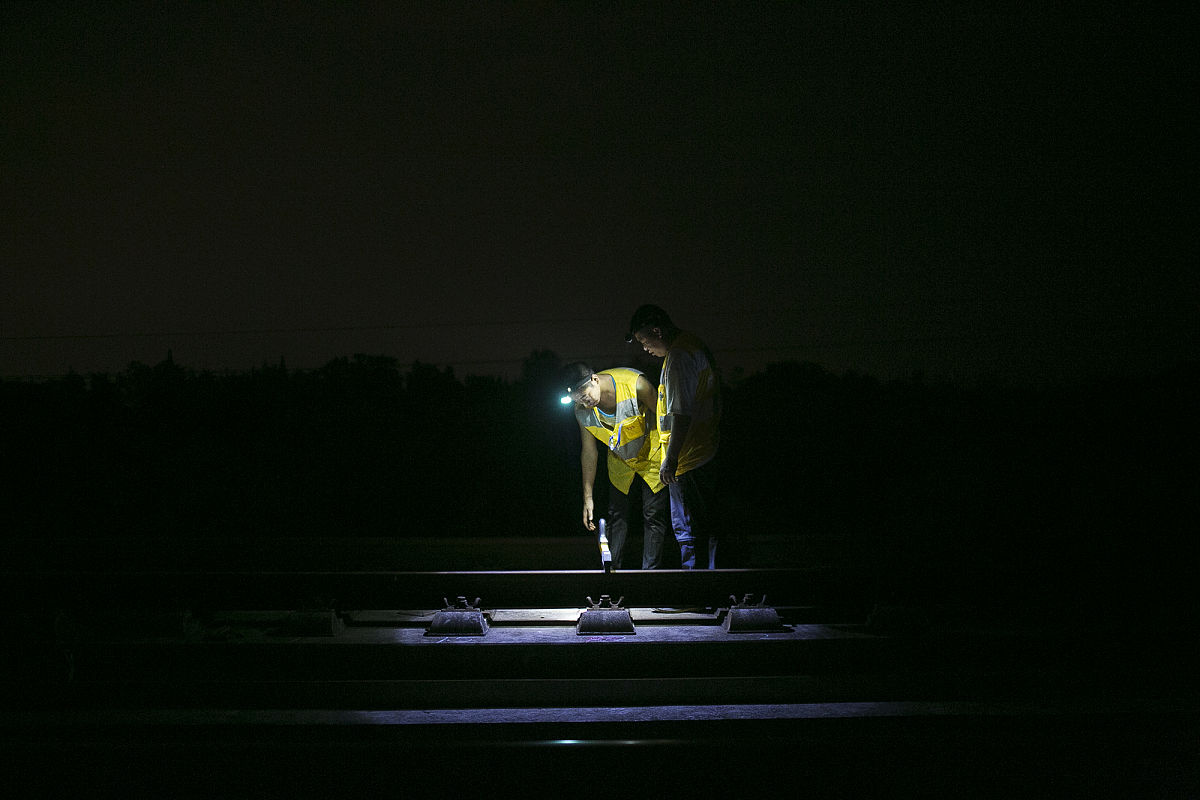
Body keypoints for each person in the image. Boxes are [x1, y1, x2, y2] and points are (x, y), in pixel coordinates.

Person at [626, 304, 721, 569]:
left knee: (689, 530)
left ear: (657, 331)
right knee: (705, 527)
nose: (645, 349)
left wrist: (671, 458)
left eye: (645, 341)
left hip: (688, 457)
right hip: (702, 450)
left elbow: (680, 412)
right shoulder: (691, 346)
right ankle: (709, 582)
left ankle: (695, 586)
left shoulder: (679, 356)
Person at [562, 362, 671, 569]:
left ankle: (651, 574)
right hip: (621, 460)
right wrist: (588, 498)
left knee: (653, 515)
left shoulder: (636, 385)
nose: (585, 404)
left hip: (652, 454)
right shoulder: (581, 410)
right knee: (617, 516)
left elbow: (665, 420)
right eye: (579, 401)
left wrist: (672, 458)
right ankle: (612, 573)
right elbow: (589, 452)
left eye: (585, 396)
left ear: (594, 379)